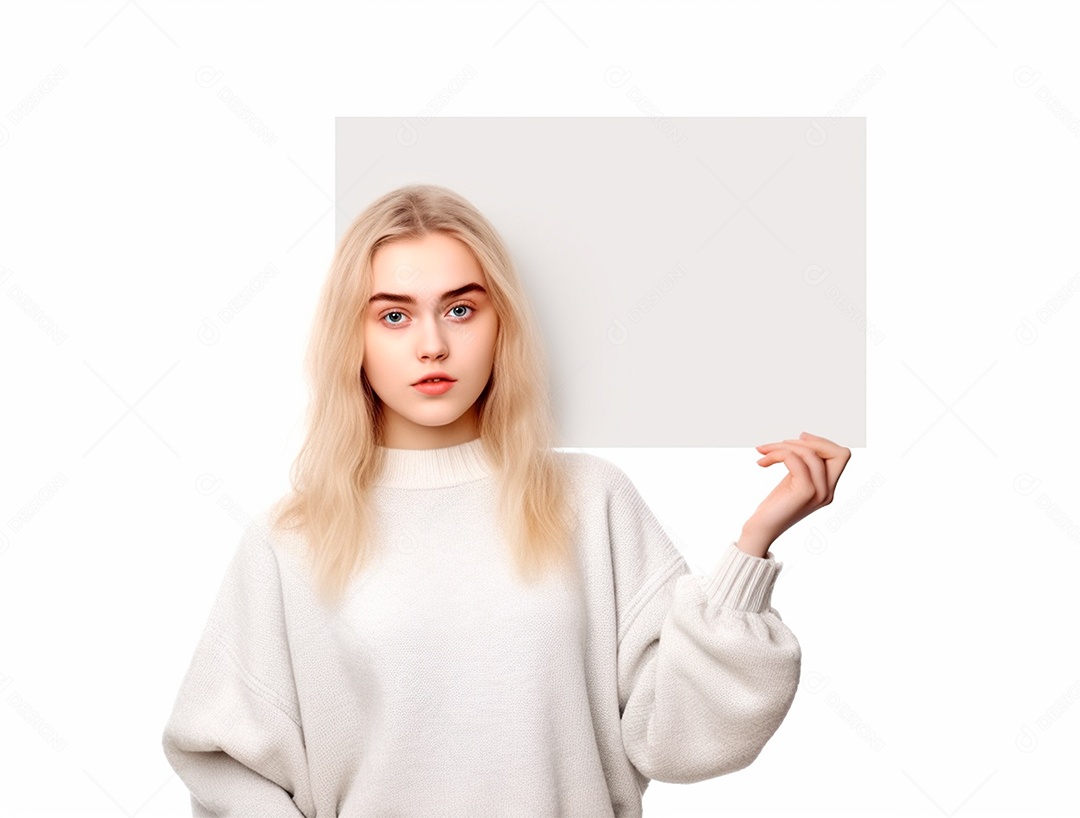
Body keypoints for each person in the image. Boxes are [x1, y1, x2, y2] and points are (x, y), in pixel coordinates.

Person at [161, 183, 851, 817]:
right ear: (355, 339)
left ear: (501, 325)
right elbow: (220, 758)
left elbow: (683, 741)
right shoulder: (295, 537)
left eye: (461, 309)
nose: (433, 344)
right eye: (395, 316)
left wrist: (753, 546)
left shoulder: (590, 500)